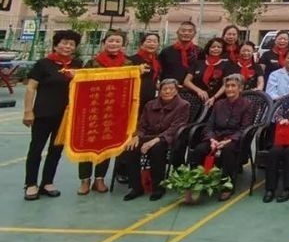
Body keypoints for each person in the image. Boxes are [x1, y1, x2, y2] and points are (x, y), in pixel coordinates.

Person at [23, 30, 82, 200]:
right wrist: (28, 111)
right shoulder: (44, 64)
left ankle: (47, 182)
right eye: (64, 43)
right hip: (43, 113)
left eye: (71, 44)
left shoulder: (77, 64)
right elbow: (30, 88)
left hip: (65, 116)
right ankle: (31, 184)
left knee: (56, 150)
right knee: (36, 148)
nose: (67, 46)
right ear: (56, 45)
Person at [78, 29, 131, 195]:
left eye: (118, 41)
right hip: (94, 108)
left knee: (107, 144)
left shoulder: (128, 64)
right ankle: (85, 180)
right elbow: (82, 85)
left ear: (123, 45)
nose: (114, 44)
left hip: (114, 110)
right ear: (104, 43)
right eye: (111, 41)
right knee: (88, 144)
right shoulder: (93, 63)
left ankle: (100, 179)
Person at [120, 79, 190, 201]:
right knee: (131, 148)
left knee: (157, 148)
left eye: (171, 89)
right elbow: (142, 126)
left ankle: (158, 187)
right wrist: (137, 136)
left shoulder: (183, 105)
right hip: (148, 136)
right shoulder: (150, 105)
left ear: (176, 91)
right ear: (160, 90)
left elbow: (175, 128)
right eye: (164, 89)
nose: (167, 91)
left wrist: (156, 140)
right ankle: (136, 187)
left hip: (167, 138)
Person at [188, 74, 253, 198]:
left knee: (227, 151)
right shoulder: (219, 104)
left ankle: (227, 185)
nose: (229, 89)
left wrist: (228, 140)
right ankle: (200, 181)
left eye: (233, 86)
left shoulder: (247, 105)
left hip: (234, 139)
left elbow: (245, 128)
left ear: (240, 88)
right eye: (227, 86)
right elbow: (209, 125)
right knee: (200, 149)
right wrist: (211, 139)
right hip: (216, 137)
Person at [160, 22, 202, 91]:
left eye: (190, 31)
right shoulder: (166, 51)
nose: (186, 33)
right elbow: (160, 72)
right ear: (177, 32)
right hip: (170, 90)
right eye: (183, 31)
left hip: (192, 91)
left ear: (194, 34)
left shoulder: (199, 51)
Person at [186, 36, 227, 104]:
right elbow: (186, 81)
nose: (216, 49)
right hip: (196, 99)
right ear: (208, 48)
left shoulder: (226, 64)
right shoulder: (198, 63)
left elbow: (226, 84)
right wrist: (199, 91)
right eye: (213, 47)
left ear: (222, 49)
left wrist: (214, 97)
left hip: (217, 100)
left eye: (219, 47)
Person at [129, 31, 162, 109]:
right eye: (149, 41)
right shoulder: (132, 60)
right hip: (135, 97)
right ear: (141, 44)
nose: (152, 44)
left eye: (155, 41)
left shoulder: (157, 61)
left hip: (150, 97)